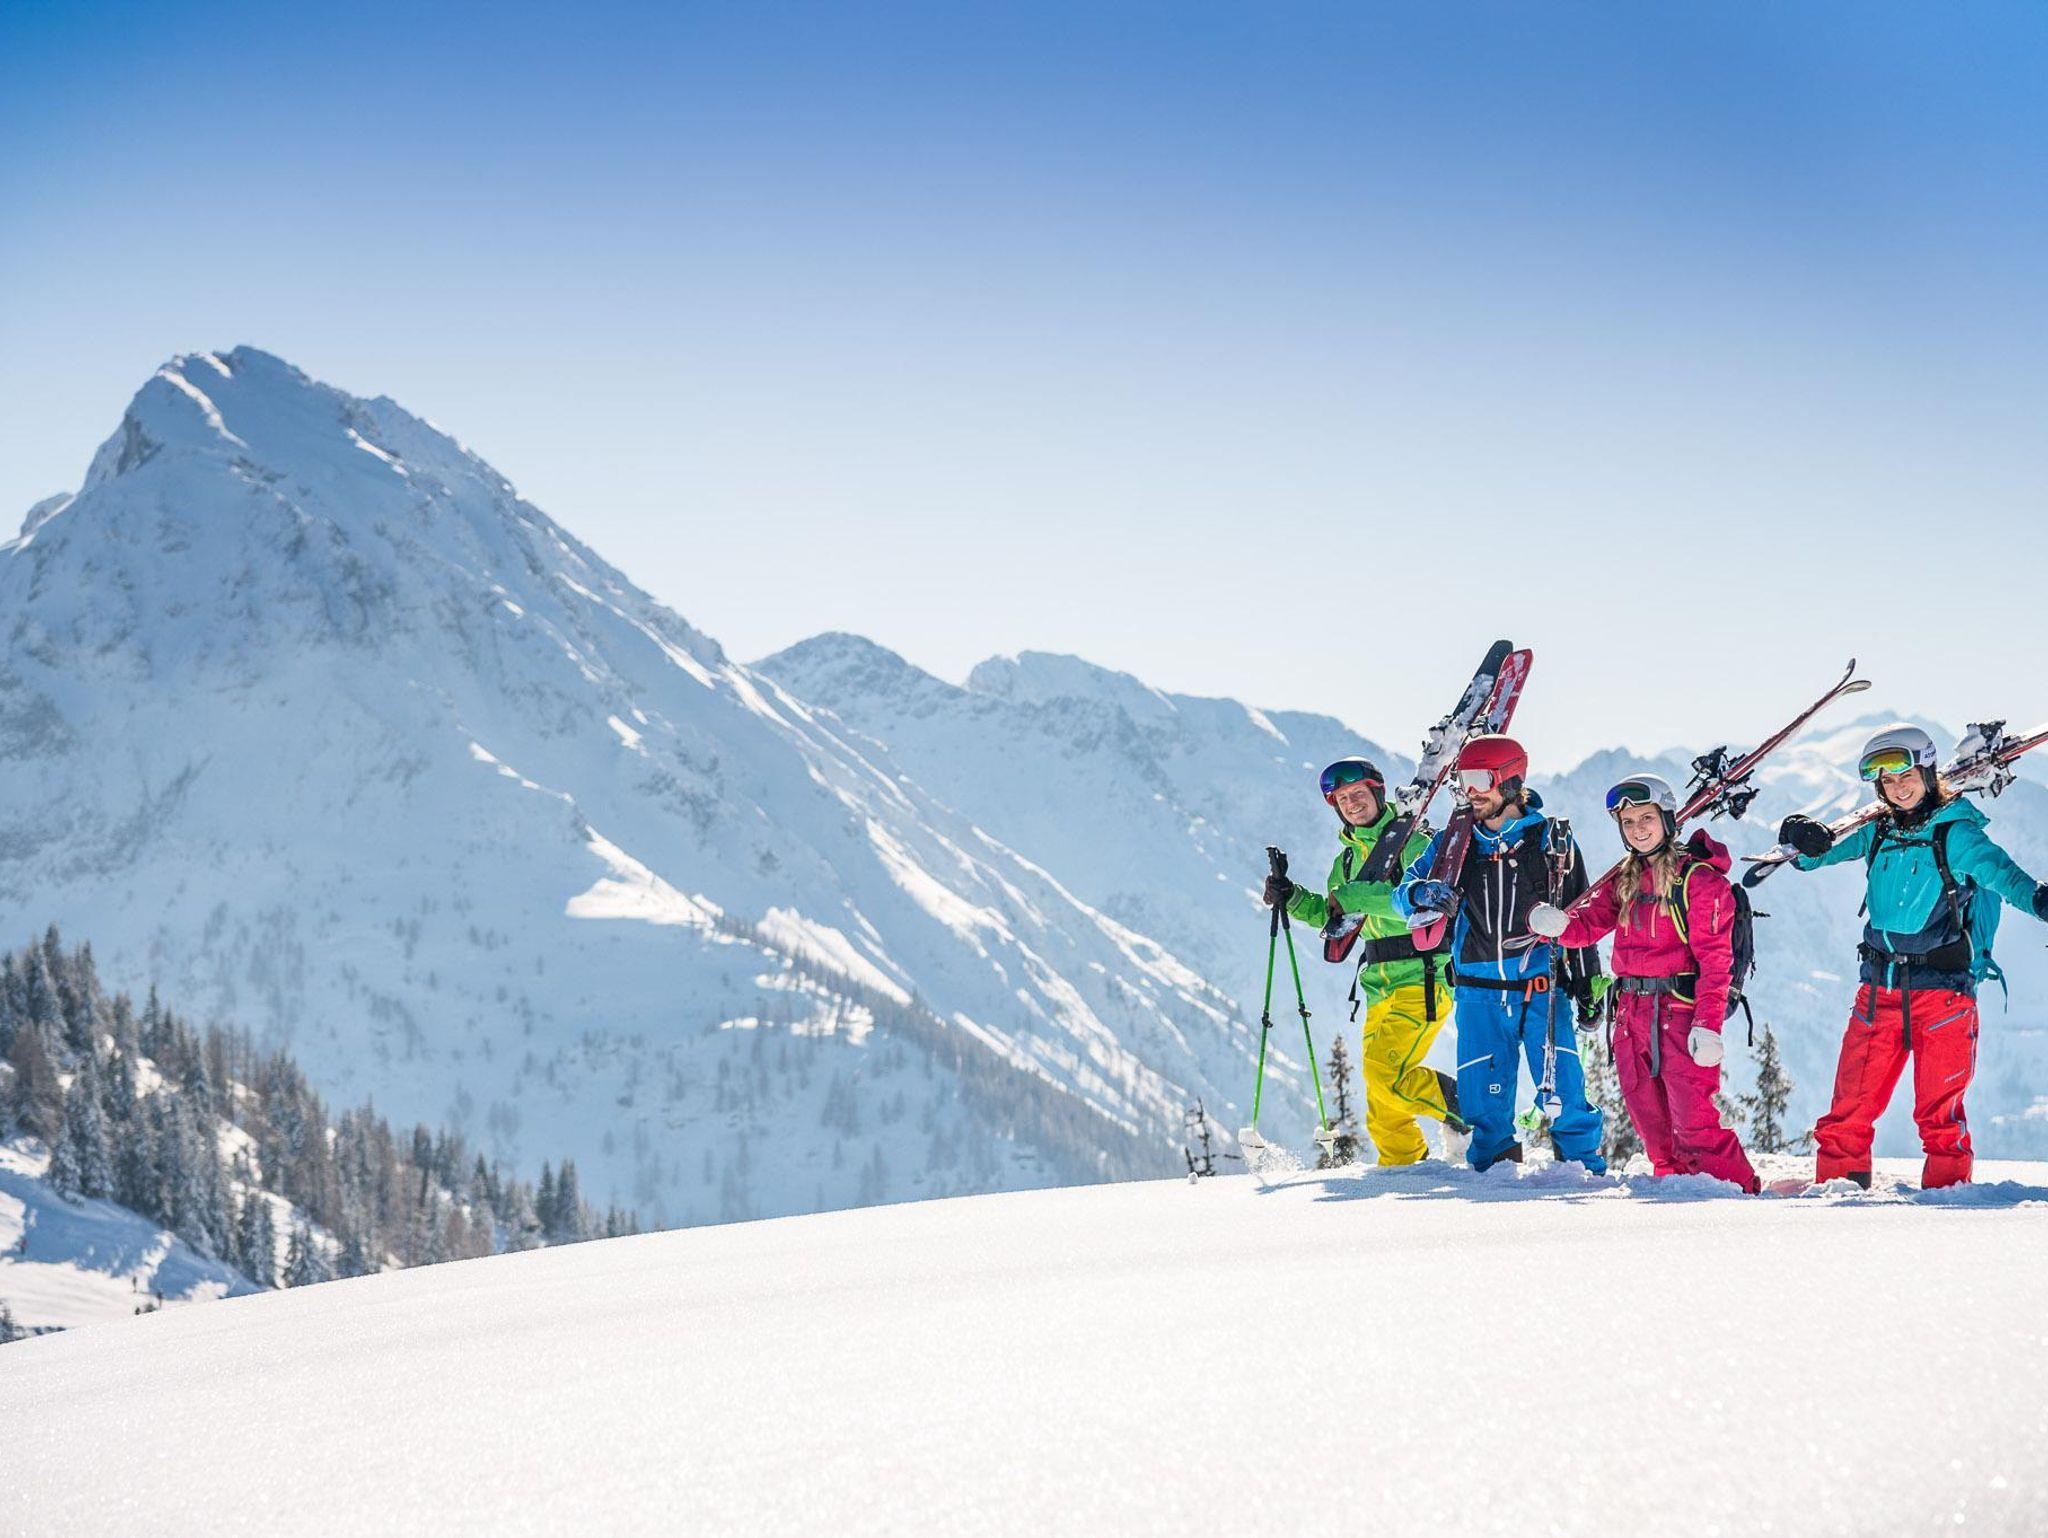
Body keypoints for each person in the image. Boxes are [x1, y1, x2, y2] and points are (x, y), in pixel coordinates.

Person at [1777, 723, 2048, 1189]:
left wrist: (2041, 901)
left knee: (1940, 1120)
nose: (1898, 788)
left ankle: (1945, 1210)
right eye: (1887, 780)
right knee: (1847, 1115)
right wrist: (1801, 840)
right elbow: (1817, 856)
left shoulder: (1956, 835)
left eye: (1906, 776)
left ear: (1927, 772)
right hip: (1876, 992)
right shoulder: (1876, 830)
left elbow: (2005, 877)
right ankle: (1834, 1207)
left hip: (1943, 998)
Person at [1528, 773, 1758, 1192]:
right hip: (1630, 1016)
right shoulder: (1625, 878)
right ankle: (1676, 1199)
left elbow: (1716, 960)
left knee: (1695, 1126)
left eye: (1646, 818)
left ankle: (1738, 1196)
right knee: (1654, 1130)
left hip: (1680, 1013)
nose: (1637, 829)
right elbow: (1588, 925)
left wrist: (1708, 1025)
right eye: (1628, 822)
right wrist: (1557, 926)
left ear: (1667, 818)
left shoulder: (1699, 880)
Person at [1392, 734, 1606, 1173]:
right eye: (1462, 781)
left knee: (1565, 1093)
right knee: (1482, 1106)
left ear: (1510, 780)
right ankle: (1491, 1177)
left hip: (1542, 989)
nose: (1469, 791)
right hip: (1478, 993)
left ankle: (1581, 1171)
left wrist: (1588, 988)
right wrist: (1419, 893)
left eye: (1479, 779)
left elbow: (1581, 916)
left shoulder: (1551, 841)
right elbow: (1402, 892)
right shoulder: (1454, 843)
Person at [1262, 757, 1467, 1164]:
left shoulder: (1414, 844)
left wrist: (1354, 896)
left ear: (1377, 792)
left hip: (1423, 976)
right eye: (1342, 799)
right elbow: (1336, 916)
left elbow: (1421, 906)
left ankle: (1467, 1111)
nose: (1352, 803)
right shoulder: (1346, 862)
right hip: (1378, 984)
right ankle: (1403, 1165)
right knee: (1380, 1093)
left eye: (1358, 793)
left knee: (1385, 1074)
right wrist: (1292, 897)